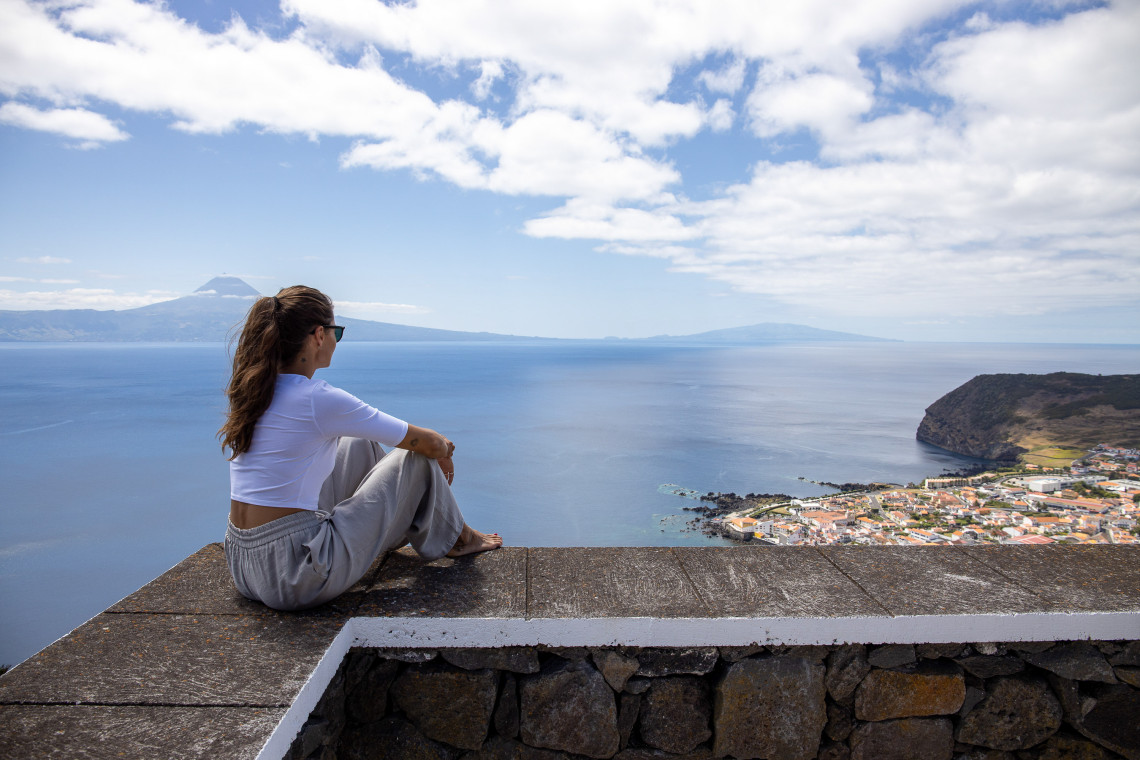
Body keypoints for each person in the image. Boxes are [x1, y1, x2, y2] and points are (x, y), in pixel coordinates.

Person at [219, 285, 501, 610]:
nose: (337, 340)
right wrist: (443, 452)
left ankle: (399, 528)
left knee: (358, 441)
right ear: (319, 336)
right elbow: (424, 441)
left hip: (243, 564)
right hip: (297, 575)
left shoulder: (254, 391)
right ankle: (459, 537)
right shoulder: (317, 399)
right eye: (336, 331)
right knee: (416, 460)